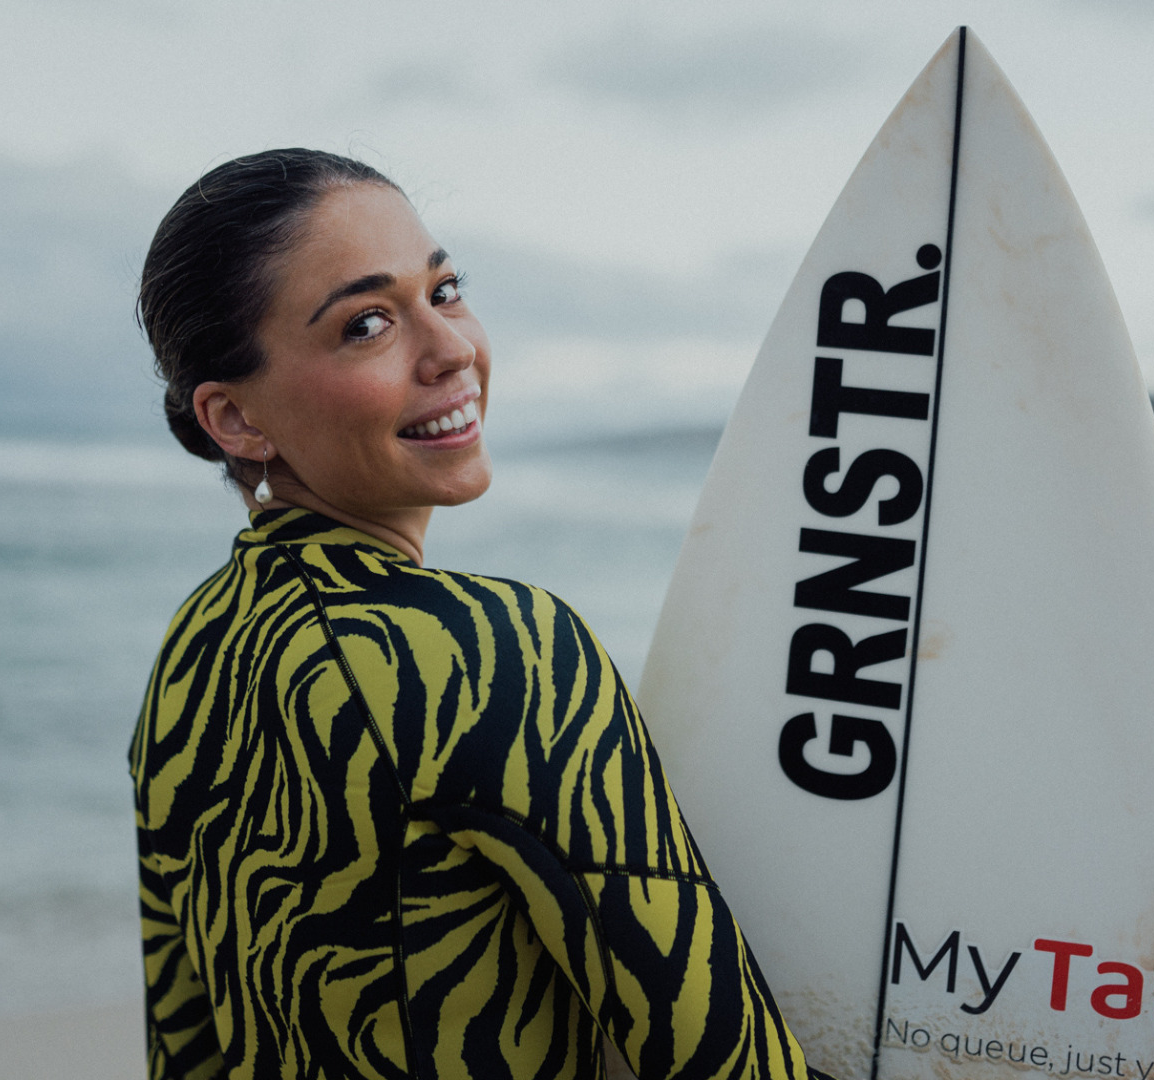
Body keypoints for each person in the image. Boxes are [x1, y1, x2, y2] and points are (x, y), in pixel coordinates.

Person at [129, 149, 828, 1080]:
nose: (452, 348)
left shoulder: (195, 649)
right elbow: (721, 1058)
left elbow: (184, 1044)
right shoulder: (498, 653)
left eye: (446, 289)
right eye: (367, 323)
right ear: (236, 420)